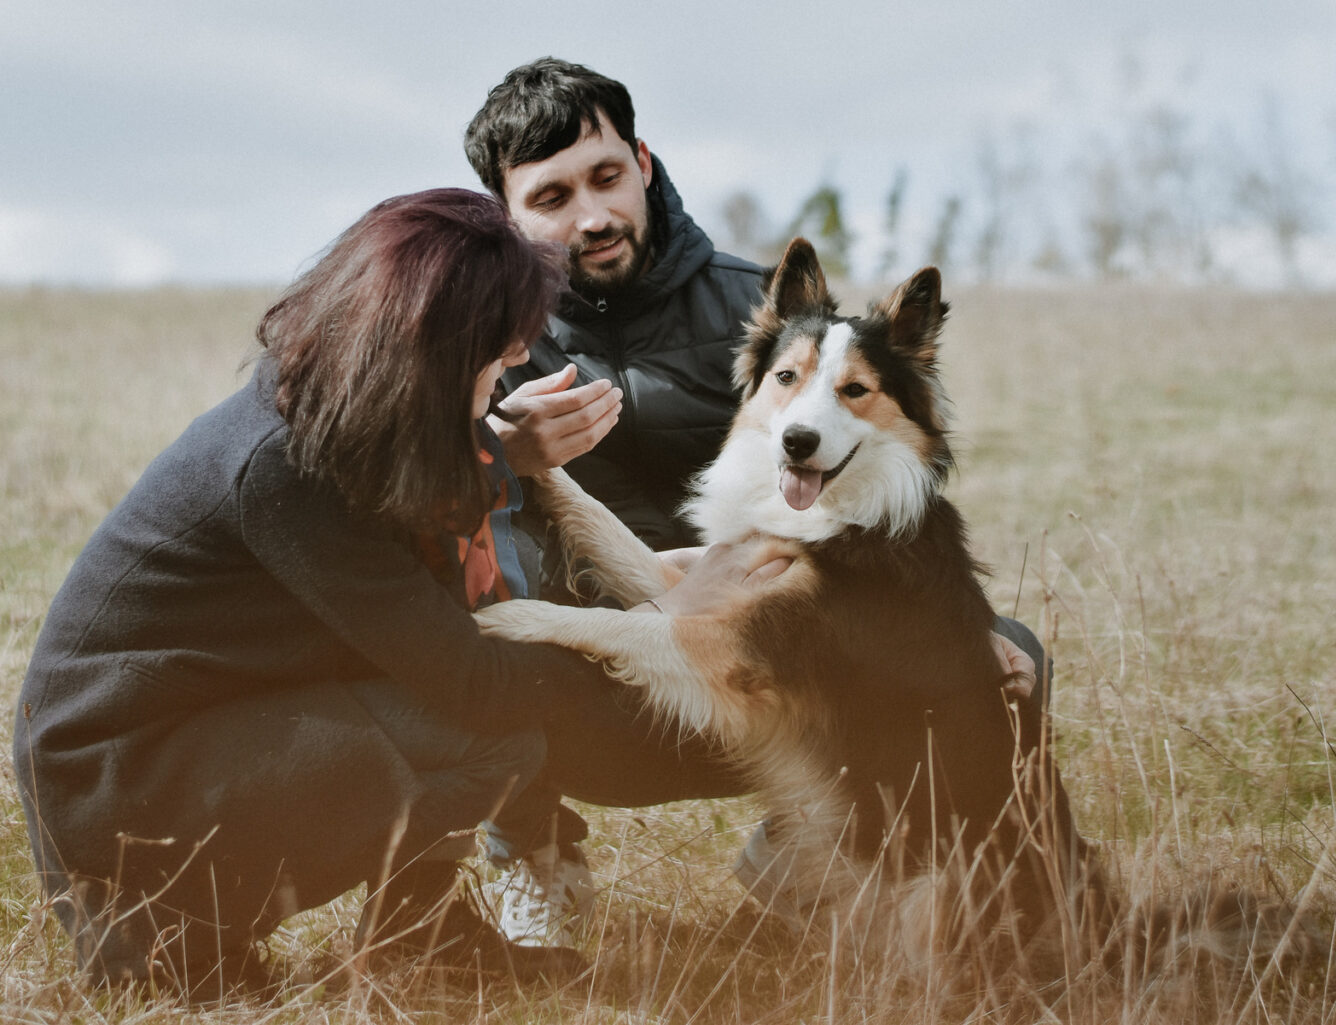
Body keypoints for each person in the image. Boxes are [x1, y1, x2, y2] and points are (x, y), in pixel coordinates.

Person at [10, 188, 790, 1000]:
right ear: (437, 352)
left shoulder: (329, 404)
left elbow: (415, 554)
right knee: (487, 725)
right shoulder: (286, 466)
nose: (512, 367)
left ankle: (417, 938)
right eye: (499, 354)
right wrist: (667, 670)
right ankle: (174, 944)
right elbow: (467, 675)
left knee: (480, 713)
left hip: (180, 731)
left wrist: (493, 451)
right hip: (122, 784)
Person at [461, 58, 1054, 942]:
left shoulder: (771, 316)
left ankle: (825, 861)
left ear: (645, 163)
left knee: (1006, 653)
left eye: (607, 176)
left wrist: (956, 628)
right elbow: (394, 494)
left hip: (773, 657)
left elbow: (885, 495)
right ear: (504, 214)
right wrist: (497, 455)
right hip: (569, 678)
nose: (591, 216)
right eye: (550, 198)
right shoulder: (473, 332)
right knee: (454, 639)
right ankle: (532, 858)